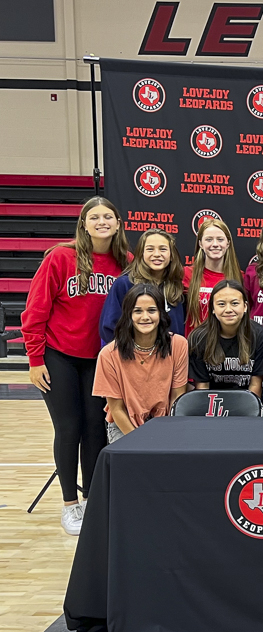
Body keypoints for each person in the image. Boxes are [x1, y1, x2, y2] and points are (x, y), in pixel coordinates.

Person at [21, 196, 129, 535]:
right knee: (70, 428)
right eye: (94, 216)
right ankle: (70, 505)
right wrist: (35, 359)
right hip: (60, 354)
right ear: (83, 224)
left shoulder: (125, 262)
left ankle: (93, 500)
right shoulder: (61, 257)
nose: (101, 221)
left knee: (96, 430)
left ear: (117, 223)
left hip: (100, 360)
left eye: (107, 216)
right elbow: (34, 311)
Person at [93, 284, 188, 442]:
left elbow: (177, 400)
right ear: (128, 315)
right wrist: (140, 442)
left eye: (151, 310)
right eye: (138, 311)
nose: (145, 317)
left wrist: (166, 436)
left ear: (160, 313)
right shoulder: (109, 354)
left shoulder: (178, 345)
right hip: (124, 424)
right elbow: (117, 410)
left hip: (165, 423)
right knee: (134, 461)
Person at [100, 228, 185, 344]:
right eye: (150, 249)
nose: (157, 254)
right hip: (131, 358)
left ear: (171, 255)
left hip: (169, 358)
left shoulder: (177, 287)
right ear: (141, 254)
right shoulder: (125, 284)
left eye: (163, 249)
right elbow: (109, 328)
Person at [188, 280, 263, 395]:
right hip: (212, 403)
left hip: (247, 404)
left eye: (235, 303)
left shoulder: (260, 336)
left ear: (245, 306)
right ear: (212, 309)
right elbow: (202, 387)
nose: (228, 310)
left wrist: (250, 412)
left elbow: (256, 384)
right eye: (221, 304)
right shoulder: (198, 338)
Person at [184, 219, 243, 335]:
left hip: (227, 347)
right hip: (195, 347)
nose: (215, 244)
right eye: (209, 239)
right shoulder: (186, 274)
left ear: (228, 243)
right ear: (201, 244)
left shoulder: (240, 277)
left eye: (220, 239)